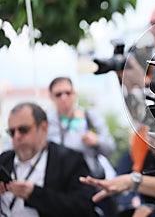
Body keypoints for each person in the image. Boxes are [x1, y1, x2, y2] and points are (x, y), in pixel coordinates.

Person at [0, 102, 98, 217]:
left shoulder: (69, 160)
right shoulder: (4, 160)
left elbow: (84, 207)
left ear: (43, 128)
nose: (17, 137)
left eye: (23, 129)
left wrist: (34, 194)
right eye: (12, 132)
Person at [46, 76, 117, 217]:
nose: (64, 98)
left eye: (68, 93)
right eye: (58, 94)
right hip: (60, 190)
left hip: (91, 185)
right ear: (51, 97)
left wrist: (97, 141)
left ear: (75, 94)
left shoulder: (90, 117)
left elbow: (111, 148)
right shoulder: (46, 123)